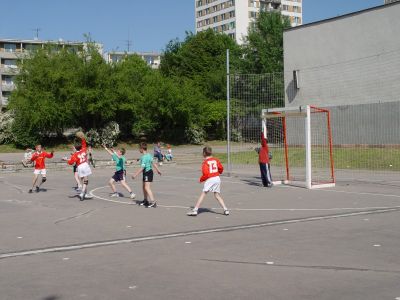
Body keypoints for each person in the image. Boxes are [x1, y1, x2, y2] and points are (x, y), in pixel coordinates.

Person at [187, 146, 229, 216]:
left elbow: (205, 173)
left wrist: (201, 179)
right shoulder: (216, 160)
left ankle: (195, 210)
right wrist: (219, 172)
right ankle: (226, 209)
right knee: (217, 195)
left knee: (203, 194)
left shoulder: (205, 162)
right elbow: (221, 168)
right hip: (217, 178)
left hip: (211, 179)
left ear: (204, 153)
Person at [63, 132, 92, 201]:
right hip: (85, 165)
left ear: (75, 148)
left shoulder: (75, 155)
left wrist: (65, 160)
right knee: (86, 180)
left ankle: (83, 192)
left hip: (79, 167)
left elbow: (70, 163)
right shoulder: (84, 149)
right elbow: (84, 143)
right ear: (81, 146)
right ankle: (82, 193)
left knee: (82, 179)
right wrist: (82, 137)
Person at [132, 142, 161, 208]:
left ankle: (153, 202)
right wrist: (158, 170)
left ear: (142, 149)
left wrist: (135, 175)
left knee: (147, 187)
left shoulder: (144, 157)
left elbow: (142, 168)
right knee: (143, 186)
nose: (139, 150)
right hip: (147, 172)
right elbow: (153, 163)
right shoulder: (149, 155)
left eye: (139, 148)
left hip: (147, 173)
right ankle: (145, 200)